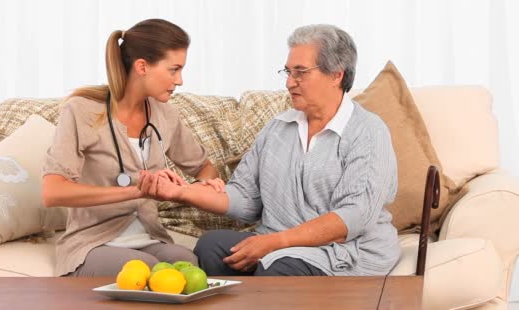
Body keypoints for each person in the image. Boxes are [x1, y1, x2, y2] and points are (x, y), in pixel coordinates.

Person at [139, 24, 400, 277]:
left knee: (278, 268)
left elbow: (353, 218)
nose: (289, 83)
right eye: (287, 72)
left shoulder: (368, 132)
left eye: (300, 72)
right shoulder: (278, 128)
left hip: (343, 252)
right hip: (279, 243)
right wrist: (180, 192)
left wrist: (275, 242)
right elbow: (245, 198)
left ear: (336, 75)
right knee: (212, 246)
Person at [42, 19, 223, 277]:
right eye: (174, 70)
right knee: (146, 271)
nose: (180, 80)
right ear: (142, 66)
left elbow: (205, 168)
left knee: (186, 262)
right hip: (93, 242)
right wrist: (136, 191)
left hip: (149, 237)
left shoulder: (166, 115)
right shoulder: (83, 110)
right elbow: (53, 192)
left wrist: (200, 186)